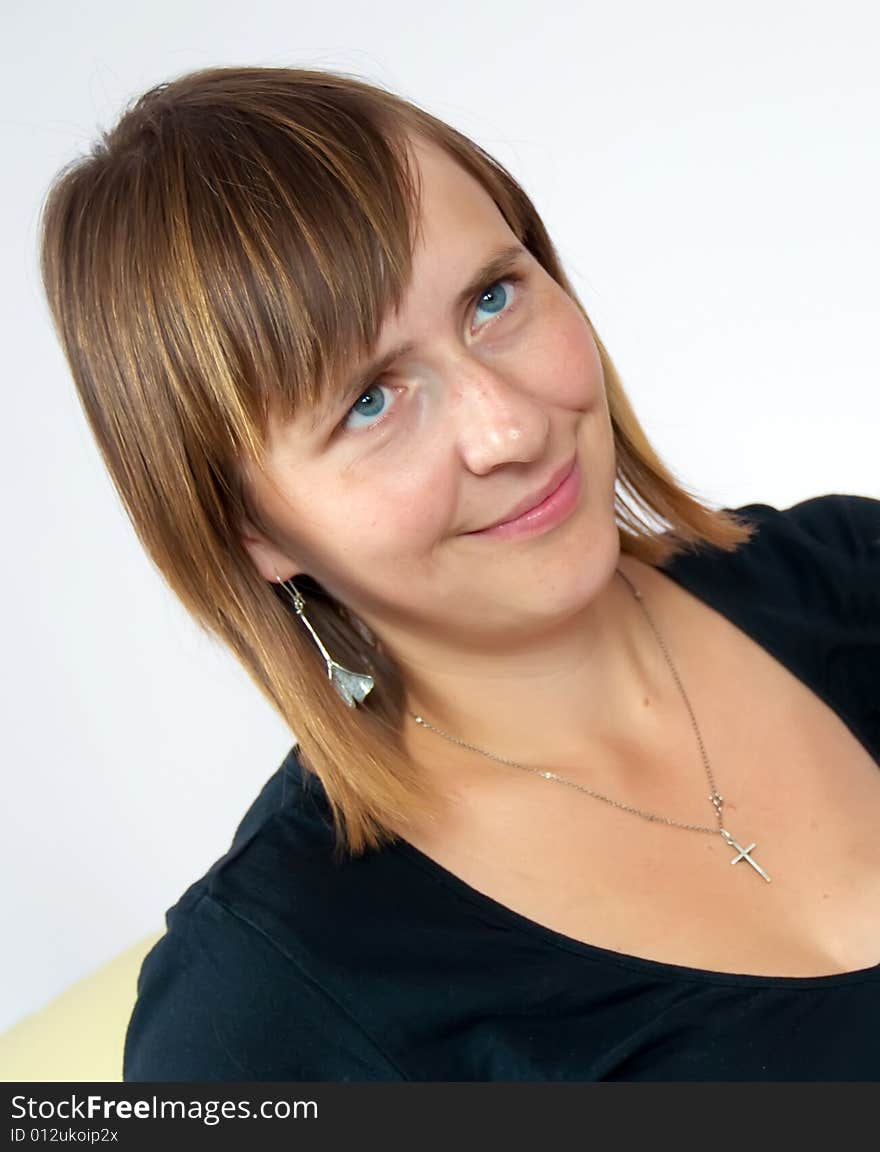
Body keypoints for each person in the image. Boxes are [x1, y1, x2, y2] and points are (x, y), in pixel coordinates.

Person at [38, 65, 879, 1082]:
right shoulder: (268, 1000)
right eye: (367, 402)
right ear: (248, 532)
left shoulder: (851, 566)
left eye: (492, 298)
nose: (509, 426)